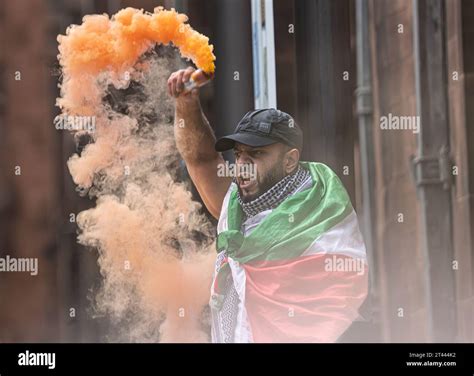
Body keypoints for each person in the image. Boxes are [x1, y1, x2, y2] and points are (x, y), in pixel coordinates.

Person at [167, 67, 368, 343]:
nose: (242, 165)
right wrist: (186, 104)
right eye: (238, 154)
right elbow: (202, 159)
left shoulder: (322, 219)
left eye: (257, 154)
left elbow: (331, 317)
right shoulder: (236, 205)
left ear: (290, 161)